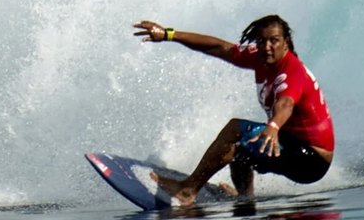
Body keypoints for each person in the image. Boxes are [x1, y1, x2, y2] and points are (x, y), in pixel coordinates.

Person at [133, 15, 334, 206]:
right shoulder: (260, 57)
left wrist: (273, 126)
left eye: (274, 41)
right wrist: (169, 34)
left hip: (311, 159)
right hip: (292, 143)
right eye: (262, 41)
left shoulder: (291, 72)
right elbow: (219, 47)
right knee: (242, 147)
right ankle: (245, 198)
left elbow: (286, 103)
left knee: (235, 129)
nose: (267, 47)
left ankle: (188, 190)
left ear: (286, 42)